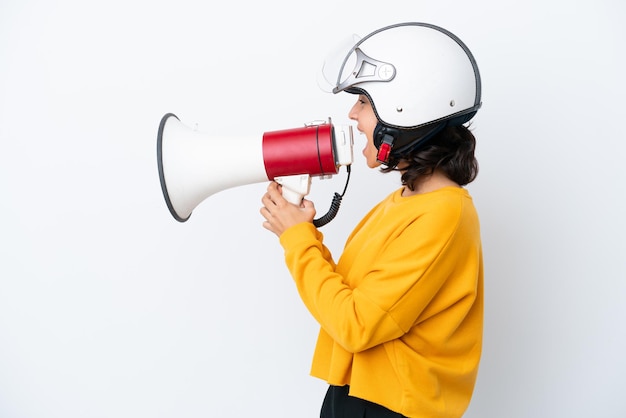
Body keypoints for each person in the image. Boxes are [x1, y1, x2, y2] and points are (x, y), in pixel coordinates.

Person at [260, 22, 483, 418]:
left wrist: (297, 240)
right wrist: (302, 231)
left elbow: (356, 325)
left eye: (363, 100)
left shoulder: (443, 215)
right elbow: (353, 297)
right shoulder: (406, 202)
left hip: (387, 407)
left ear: (406, 107)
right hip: (360, 395)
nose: (352, 113)